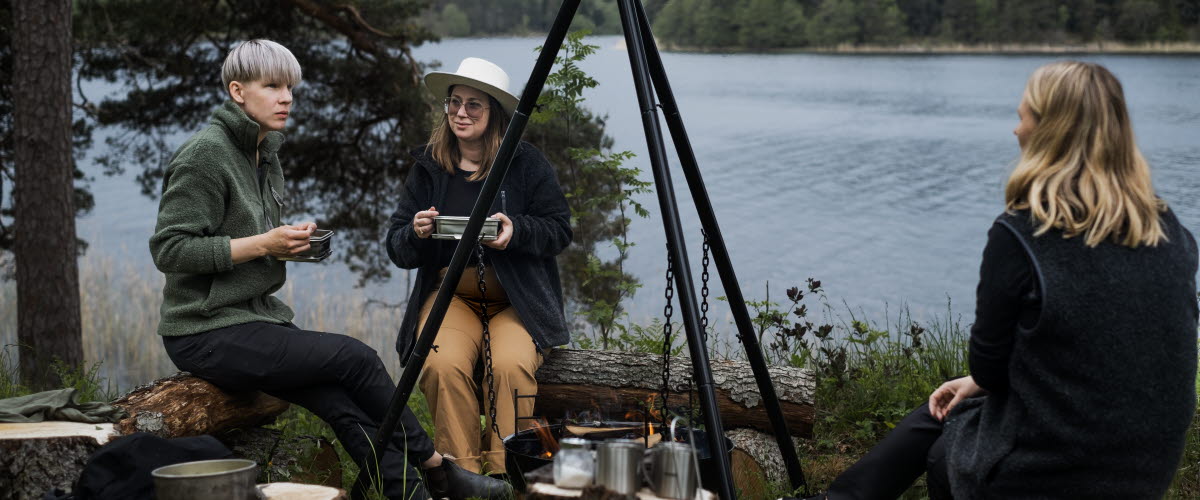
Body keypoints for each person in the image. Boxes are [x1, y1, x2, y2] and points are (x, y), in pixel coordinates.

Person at [791, 61, 1198, 500]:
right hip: (1146, 468)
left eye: (1022, 116)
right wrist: (977, 383)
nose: (1015, 130)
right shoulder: (1167, 228)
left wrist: (980, 380)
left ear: (1048, 132)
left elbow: (990, 366)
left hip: (1048, 475)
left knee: (947, 448)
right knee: (946, 406)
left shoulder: (1023, 234)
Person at [149, 39, 510, 500]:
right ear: (238, 92)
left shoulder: (264, 154)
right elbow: (171, 250)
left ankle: (413, 494)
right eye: (272, 86)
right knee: (353, 357)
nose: (286, 98)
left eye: (291, 88)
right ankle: (438, 466)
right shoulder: (205, 156)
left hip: (252, 320)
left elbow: (239, 243)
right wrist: (266, 242)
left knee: (341, 403)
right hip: (204, 332)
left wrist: (285, 247)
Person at [385, 57, 572, 476]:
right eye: (454, 103)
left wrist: (516, 231)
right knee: (439, 363)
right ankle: (462, 474)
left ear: (495, 113)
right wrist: (415, 232)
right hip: (451, 296)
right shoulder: (428, 167)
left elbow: (559, 230)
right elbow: (396, 247)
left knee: (509, 366)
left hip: (515, 300)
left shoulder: (525, 163)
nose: (461, 113)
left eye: (474, 105)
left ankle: (508, 471)